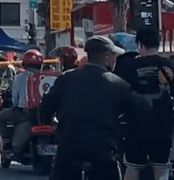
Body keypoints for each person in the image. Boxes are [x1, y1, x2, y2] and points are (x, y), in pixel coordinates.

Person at [40, 36, 148, 180]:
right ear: (106, 57)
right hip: (103, 152)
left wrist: (51, 122)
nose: (115, 60)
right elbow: (141, 108)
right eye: (114, 56)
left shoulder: (66, 79)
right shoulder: (118, 84)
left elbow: (45, 108)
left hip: (69, 149)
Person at [114, 28, 174, 180]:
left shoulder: (128, 65)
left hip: (136, 125)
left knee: (133, 167)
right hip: (162, 125)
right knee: (161, 169)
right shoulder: (168, 64)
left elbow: (121, 94)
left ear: (140, 45)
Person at [0, 49, 43, 155]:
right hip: (44, 114)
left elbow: (14, 99)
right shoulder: (44, 77)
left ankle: (6, 141)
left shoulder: (20, 77)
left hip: (23, 113)